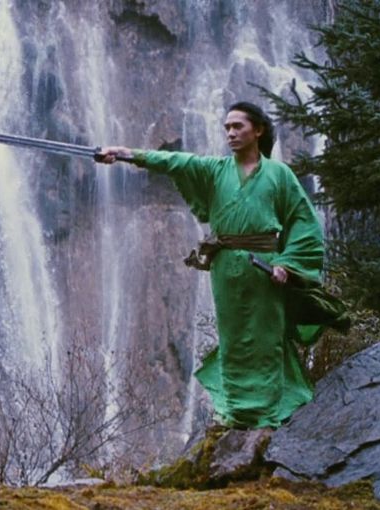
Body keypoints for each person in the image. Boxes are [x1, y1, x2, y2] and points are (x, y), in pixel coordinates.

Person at [97, 102, 325, 429]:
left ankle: (270, 413)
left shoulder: (279, 174)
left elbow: (304, 222)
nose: (230, 133)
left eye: (238, 126)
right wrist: (124, 153)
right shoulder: (216, 169)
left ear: (258, 130)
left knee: (266, 338)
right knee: (233, 340)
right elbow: (175, 161)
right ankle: (236, 412)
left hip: (264, 268)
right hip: (226, 269)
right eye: (227, 128)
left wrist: (288, 264)